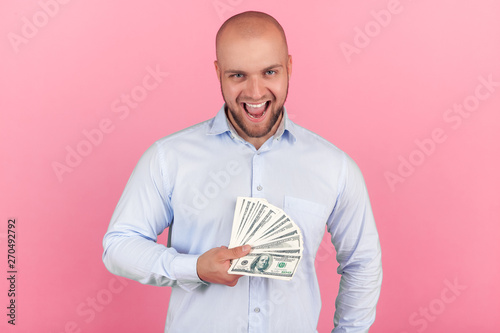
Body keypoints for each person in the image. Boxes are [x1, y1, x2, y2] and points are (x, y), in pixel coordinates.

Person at [103, 10, 382, 333]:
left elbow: (362, 263)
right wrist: (193, 267)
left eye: (269, 72)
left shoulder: (335, 167)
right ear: (218, 72)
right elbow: (119, 246)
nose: (254, 92)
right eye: (238, 75)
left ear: (289, 67)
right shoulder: (169, 158)